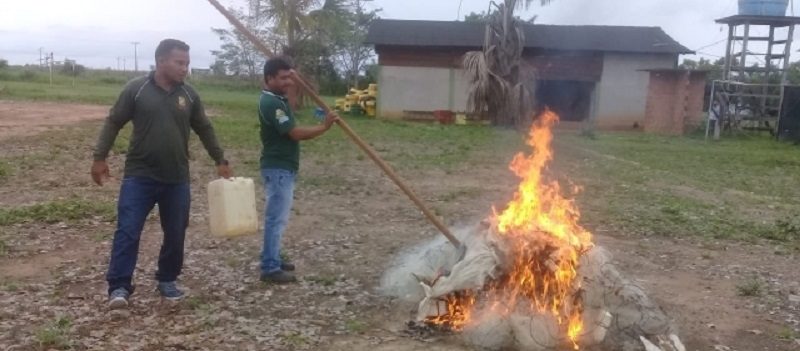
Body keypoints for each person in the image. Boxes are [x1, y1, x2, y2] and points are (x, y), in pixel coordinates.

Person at [91, 39, 233, 309]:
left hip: (176, 178)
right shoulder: (136, 89)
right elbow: (113, 122)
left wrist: (220, 158)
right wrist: (99, 157)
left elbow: (204, 127)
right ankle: (119, 287)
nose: (185, 69)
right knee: (128, 231)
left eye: (187, 63)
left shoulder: (189, 95)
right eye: (180, 63)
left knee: (176, 232)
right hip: (139, 176)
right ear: (161, 62)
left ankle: (167, 279)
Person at [258, 56, 339, 283]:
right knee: (276, 218)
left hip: (282, 167)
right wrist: (324, 127)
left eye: (289, 77)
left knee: (277, 217)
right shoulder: (271, 104)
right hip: (278, 167)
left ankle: (270, 256)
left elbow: (292, 104)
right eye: (282, 78)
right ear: (269, 78)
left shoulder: (277, 98)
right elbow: (294, 133)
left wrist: (294, 79)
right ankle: (269, 267)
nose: (287, 82)